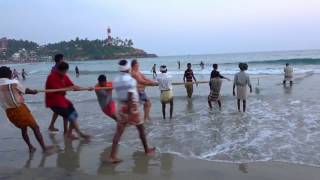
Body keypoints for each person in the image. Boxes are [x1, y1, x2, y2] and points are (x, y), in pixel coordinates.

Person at [109, 59, 155, 163]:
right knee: (141, 129)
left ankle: (112, 156)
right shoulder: (131, 80)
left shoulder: (116, 81)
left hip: (120, 107)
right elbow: (130, 95)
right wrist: (130, 112)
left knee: (118, 132)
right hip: (131, 107)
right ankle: (147, 150)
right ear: (128, 68)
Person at [0, 66, 55, 153]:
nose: (11, 74)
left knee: (23, 128)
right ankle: (44, 148)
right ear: (7, 74)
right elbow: (26, 91)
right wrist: (34, 91)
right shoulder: (13, 82)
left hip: (9, 112)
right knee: (35, 127)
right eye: (10, 73)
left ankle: (30, 147)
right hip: (19, 109)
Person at [45, 62, 90, 140]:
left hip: (63, 100)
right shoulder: (51, 77)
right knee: (71, 116)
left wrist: (87, 88)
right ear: (59, 70)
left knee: (74, 114)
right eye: (64, 71)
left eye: (66, 71)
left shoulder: (65, 76)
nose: (65, 73)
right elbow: (58, 90)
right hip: (53, 101)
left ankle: (69, 133)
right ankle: (80, 133)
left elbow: (72, 86)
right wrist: (69, 88)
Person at [48, 54, 65, 132]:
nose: (64, 60)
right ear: (60, 60)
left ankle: (51, 126)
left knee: (57, 111)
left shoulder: (55, 68)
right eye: (63, 59)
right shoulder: (57, 69)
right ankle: (67, 132)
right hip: (56, 93)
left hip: (57, 93)